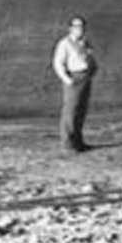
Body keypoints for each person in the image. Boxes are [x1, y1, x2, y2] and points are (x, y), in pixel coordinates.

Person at [52, 15, 98, 154]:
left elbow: (90, 57)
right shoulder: (64, 43)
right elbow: (58, 63)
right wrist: (67, 79)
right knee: (70, 111)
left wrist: (92, 69)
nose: (80, 30)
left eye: (82, 27)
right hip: (73, 77)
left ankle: (78, 142)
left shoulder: (85, 43)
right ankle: (67, 144)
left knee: (81, 110)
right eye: (77, 27)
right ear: (71, 28)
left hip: (85, 77)